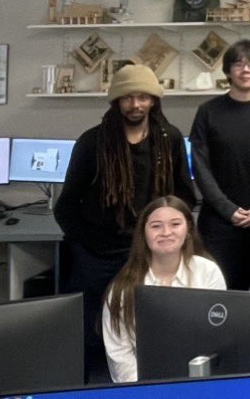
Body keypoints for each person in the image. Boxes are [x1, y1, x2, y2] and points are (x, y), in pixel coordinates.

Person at [55, 64, 195, 380]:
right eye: (127, 98)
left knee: (147, 326)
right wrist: (89, 245)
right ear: (115, 101)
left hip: (150, 254)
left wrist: (168, 235)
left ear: (154, 100)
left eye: (143, 97)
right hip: (99, 256)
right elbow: (65, 208)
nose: (135, 105)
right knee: (91, 329)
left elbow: (185, 197)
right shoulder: (93, 142)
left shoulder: (168, 139)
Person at [189, 40, 250, 289]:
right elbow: (200, 165)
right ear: (228, 71)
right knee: (218, 293)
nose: (245, 70)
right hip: (218, 223)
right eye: (238, 64)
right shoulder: (208, 112)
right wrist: (227, 208)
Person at [101, 196, 225, 383]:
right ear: (144, 233)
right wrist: (146, 390)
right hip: (143, 386)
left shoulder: (207, 271)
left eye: (175, 224)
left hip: (199, 381)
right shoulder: (122, 288)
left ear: (188, 228)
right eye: (156, 226)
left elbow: (217, 336)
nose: (166, 232)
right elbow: (119, 353)